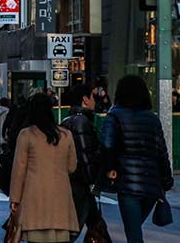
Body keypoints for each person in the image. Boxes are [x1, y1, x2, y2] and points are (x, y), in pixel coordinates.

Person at [101, 75, 173, 243]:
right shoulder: (152, 119)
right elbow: (162, 153)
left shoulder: (115, 116)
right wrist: (167, 181)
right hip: (151, 184)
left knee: (133, 234)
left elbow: (107, 144)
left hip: (127, 183)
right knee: (135, 229)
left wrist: (109, 168)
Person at [10, 93, 79, 243]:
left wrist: (15, 199)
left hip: (34, 199)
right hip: (61, 200)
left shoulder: (26, 135)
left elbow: (19, 171)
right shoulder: (66, 135)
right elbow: (72, 166)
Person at [60, 84, 101, 235]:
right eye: (93, 97)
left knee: (95, 224)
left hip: (74, 179)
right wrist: (92, 180)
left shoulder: (68, 120)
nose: (95, 101)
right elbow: (84, 155)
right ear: (85, 99)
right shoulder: (81, 122)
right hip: (81, 181)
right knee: (75, 227)